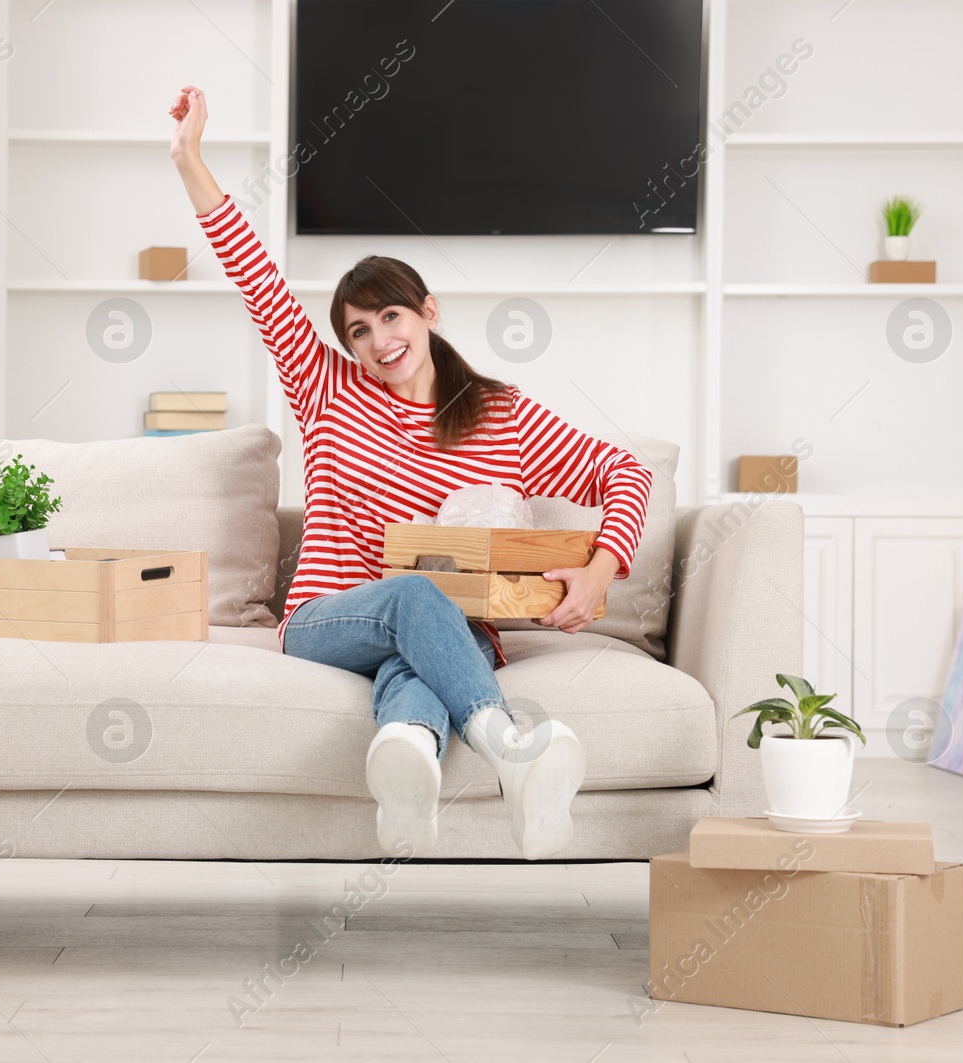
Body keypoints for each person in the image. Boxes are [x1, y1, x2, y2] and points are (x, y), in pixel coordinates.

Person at [166, 85, 653, 860]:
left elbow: (622, 472)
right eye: (359, 329)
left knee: (414, 664)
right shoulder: (327, 387)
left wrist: (600, 570)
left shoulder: (503, 415)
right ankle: (511, 748)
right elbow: (257, 280)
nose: (378, 339)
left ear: (428, 311)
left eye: (390, 316)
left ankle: (408, 755)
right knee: (417, 594)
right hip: (329, 618)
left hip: (461, 632)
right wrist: (189, 159)